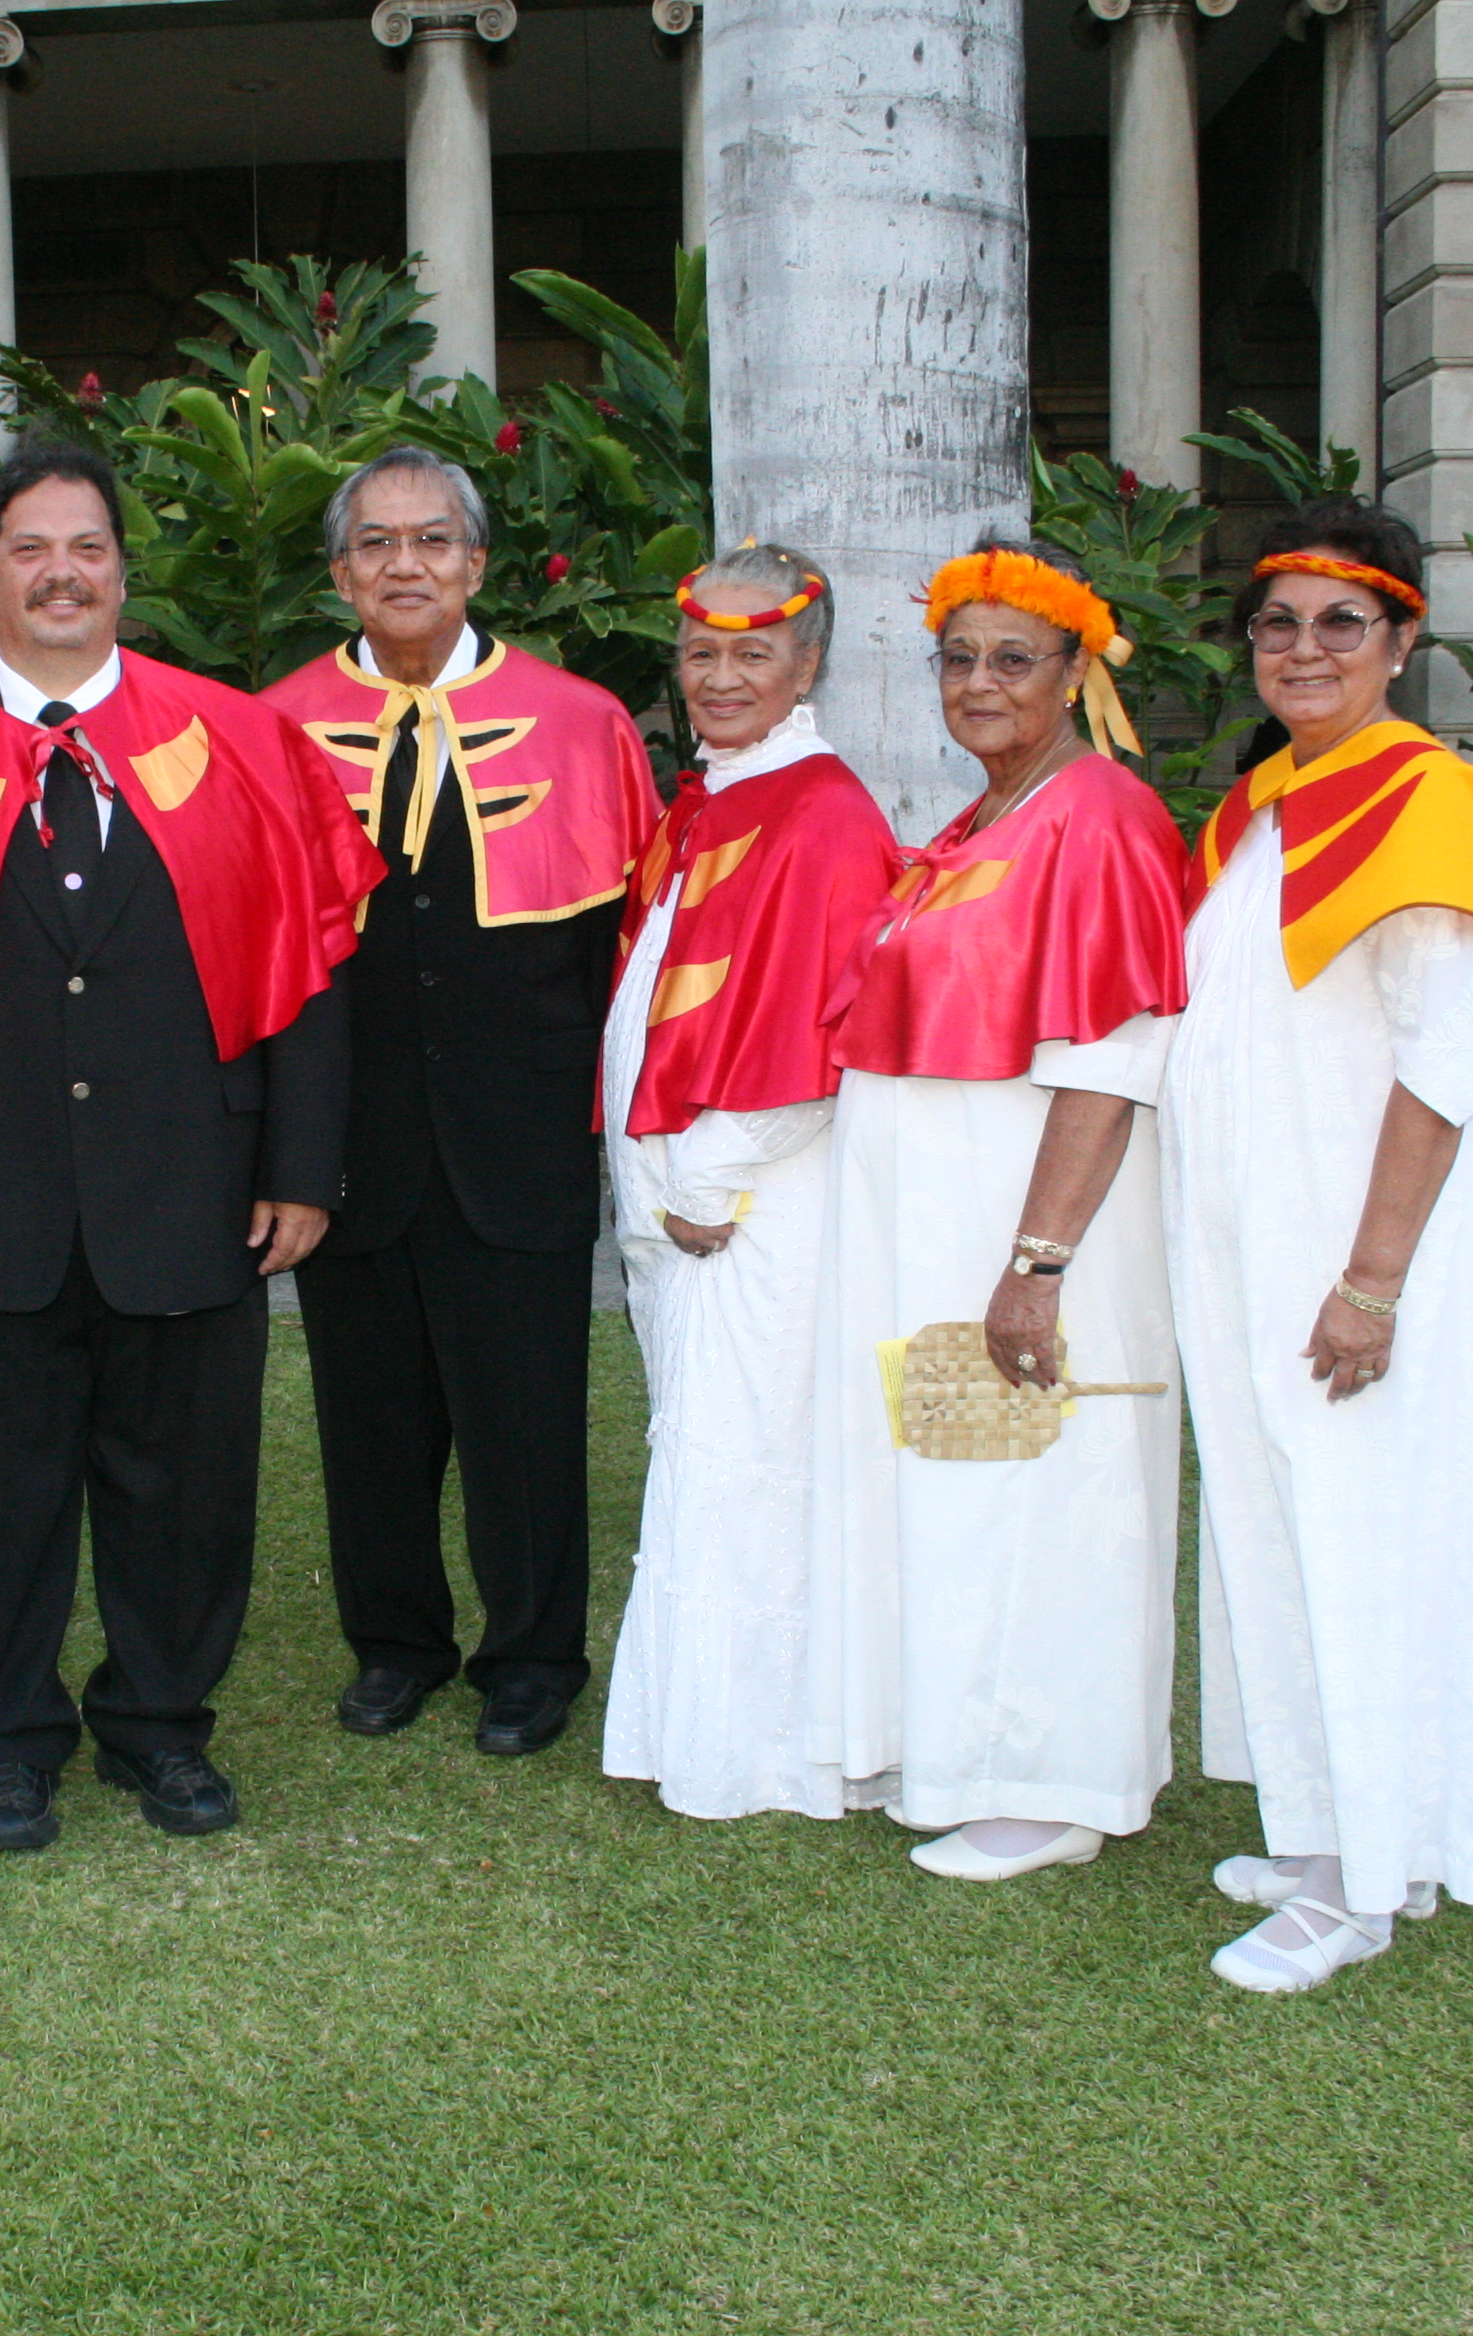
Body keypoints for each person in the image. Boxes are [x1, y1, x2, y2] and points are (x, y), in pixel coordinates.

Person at [0, 439, 382, 1853]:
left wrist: (300, 1168)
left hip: (193, 1180)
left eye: (88, 548)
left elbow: (312, 966)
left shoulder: (240, 741)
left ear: (123, 571)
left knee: (184, 1483)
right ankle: (5, 1741)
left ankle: (161, 1724)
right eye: (30, 550)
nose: (61, 574)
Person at [1162, 497, 1473, 1993]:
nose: (1305, 649)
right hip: (1255, 1238)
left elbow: (1452, 1062)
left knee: (1368, 1536)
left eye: (1341, 623)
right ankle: (1327, 1829)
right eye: (1278, 623)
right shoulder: (1262, 810)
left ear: (1403, 643)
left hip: (1363, 1253)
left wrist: (1371, 1280)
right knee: (1283, 1527)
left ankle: (1369, 1879)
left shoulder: (1438, 806)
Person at [262, 448, 662, 1758]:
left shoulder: (583, 723)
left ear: (477, 563)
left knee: (528, 1419)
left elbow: (626, 951)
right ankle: (395, 1645)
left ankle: (534, 1657)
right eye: (376, 543)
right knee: (368, 1419)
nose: (406, 564)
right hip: (350, 1141)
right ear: (341, 573)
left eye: (433, 540)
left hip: (521, 1134)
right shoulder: (274, 728)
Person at [805, 541, 1191, 1881]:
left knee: (1052, 1490)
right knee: (971, 1485)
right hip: (947, 1226)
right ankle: (971, 1756)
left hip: (1033, 1228)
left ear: (1075, 673)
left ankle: (1060, 1781)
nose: (979, 682)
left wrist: (1038, 1265)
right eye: (958, 658)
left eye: (1013, 659)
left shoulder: (1102, 816)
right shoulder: (985, 817)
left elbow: (1114, 1057)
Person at [599, 544, 905, 1821]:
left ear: (808, 663)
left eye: (753, 653)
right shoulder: (719, 797)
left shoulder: (819, 810)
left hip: (747, 1203)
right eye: (701, 652)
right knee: (709, 1446)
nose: (721, 676)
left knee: (751, 1457)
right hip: (683, 1197)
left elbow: (820, 1022)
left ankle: (768, 1745)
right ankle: (711, 1725)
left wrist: (711, 1174)